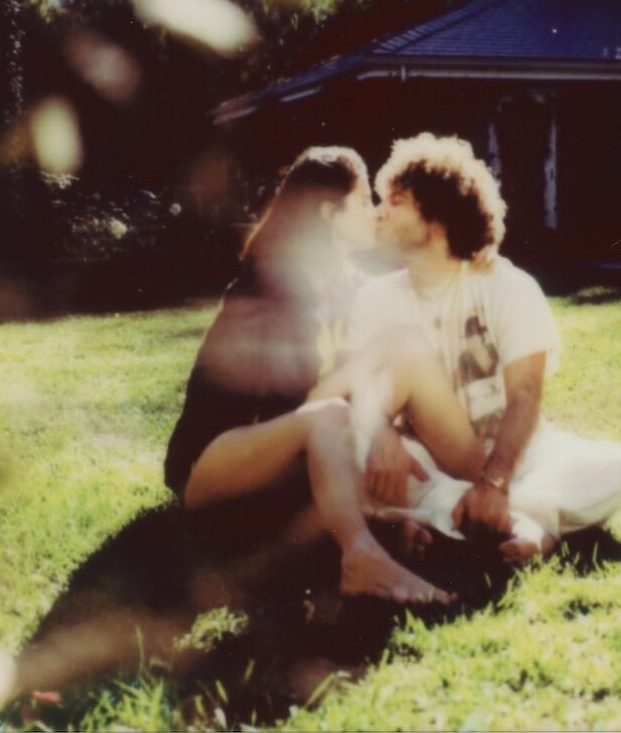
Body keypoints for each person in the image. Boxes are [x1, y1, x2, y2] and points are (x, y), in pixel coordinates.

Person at [321, 133, 621, 564]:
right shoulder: (373, 299)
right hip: (425, 462)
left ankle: (460, 516)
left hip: (518, 456)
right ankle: (523, 523)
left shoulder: (508, 285)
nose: (379, 212)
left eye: (396, 201)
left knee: (618, 469)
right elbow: (354, 393)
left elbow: (525, 394)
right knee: (351, 452)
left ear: (437, 217)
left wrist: (494, 482)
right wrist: (383, 435)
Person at [163, 145, 452, 604]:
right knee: (332, 415)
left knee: (389, 366)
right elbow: (302, 412)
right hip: (210, 464)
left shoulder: (342, 283)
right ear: (329, 214)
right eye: (363, 201)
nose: (374, 212)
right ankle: (360, 557)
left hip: (276, 445)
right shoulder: (275, 286)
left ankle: (465, 502)